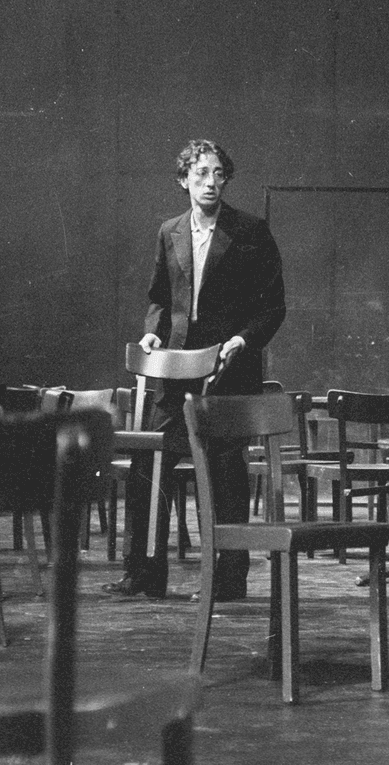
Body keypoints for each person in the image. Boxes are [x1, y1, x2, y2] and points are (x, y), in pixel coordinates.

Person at [106, 139, 286, 600]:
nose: (211, 182)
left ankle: (229, 578)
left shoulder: (250, 231)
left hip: (228, 370)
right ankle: (144, 573)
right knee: (149, 463)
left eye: (218, 174)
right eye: (201, 173)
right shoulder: (169, 231)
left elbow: (272, 306)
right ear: (183, 179)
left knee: (225, 472)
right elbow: (160, 299)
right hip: (175, 369)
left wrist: (242, 340)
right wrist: (153, 333)